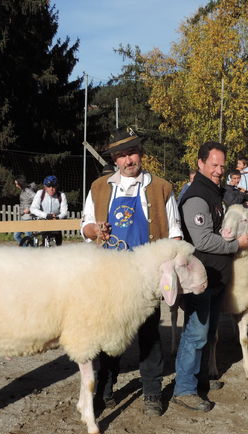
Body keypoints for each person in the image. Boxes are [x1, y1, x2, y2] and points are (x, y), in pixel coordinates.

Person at [81, 127, 183, 417]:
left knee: (149, 336)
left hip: (146, 276)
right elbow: (85, 225)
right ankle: (105, 389)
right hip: (109, 275)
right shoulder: (99, 187)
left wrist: (168, 271)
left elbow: (174, 233)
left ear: (141, 153)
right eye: (121, 155)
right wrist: (94, 229)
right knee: (109, 337)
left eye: (132, 153)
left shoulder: (161, 187)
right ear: (114, 159)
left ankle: (152, 392)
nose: (128, 160)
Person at [174, 141, 248, 411]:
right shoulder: (197, 196)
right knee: (196, 332)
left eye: (221, 165)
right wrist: (236, 245)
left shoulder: (215, 193)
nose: (219, 170)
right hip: (201, 277)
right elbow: (203, 239)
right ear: (200, 163)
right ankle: (184, 388)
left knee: (207, 332)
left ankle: (201, 378)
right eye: (213, 164)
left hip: (216, 275)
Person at [30, 175, 68, 246]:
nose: (51, 189)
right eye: (49, 186)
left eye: (54, 186)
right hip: (42, 221)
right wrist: (46, 215)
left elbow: (64, 212)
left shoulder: (61, 195)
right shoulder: (40, 193)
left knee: (58, 245)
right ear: (45, 187)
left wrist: (57, 217)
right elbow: (33, 208)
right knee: (43, 240)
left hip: (55, 222)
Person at [13, 176, 37, 245]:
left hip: (28, 218)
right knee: (16, 236)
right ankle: (25, 250)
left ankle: (35, 252)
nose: (16, 185)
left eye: (17, 184)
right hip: (23, 218)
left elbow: (37, 200)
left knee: (29, 238)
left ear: (20, 183)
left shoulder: (28, 191)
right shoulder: (23, 191)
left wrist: (29, 210)